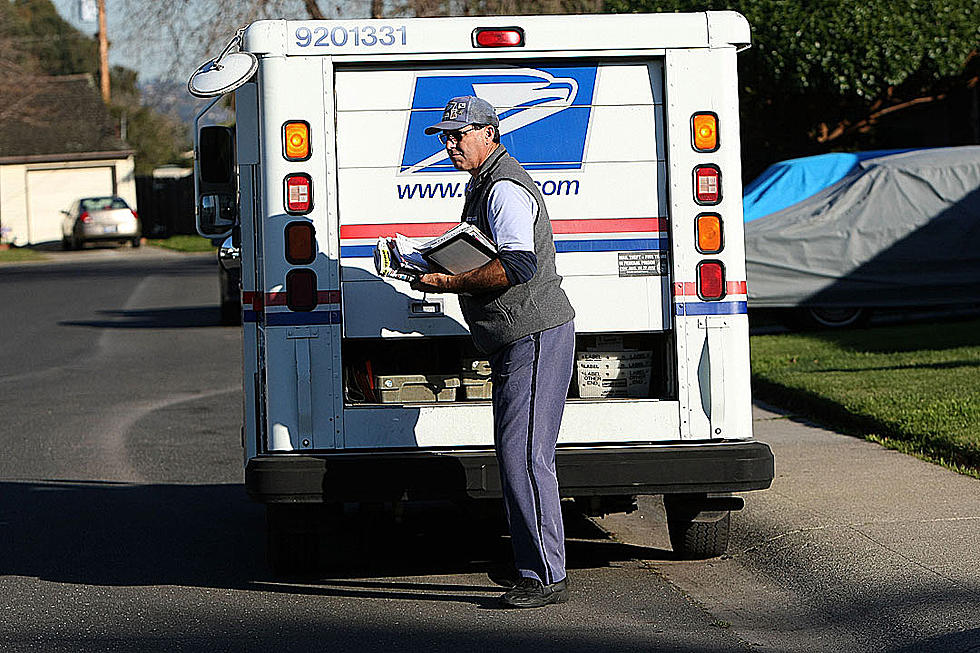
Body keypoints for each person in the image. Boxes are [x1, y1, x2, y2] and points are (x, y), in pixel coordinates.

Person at [412, 96, 576, 609]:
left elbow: (520, 267)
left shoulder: (504, 186)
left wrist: (448, 280)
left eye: (458, 135)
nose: (450, 144)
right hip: (519, 337)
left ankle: (545, 575)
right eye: (445, 136)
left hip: (534, 333)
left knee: (524, 456)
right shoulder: (485, 183)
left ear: (489, 133)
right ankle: (537, 567)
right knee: (519, 454)